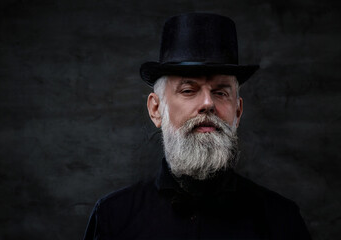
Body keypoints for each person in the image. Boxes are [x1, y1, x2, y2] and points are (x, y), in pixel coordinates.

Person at [83, 13, 312, 240]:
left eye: (221, 92)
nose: (207, 104)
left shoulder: (282, 221)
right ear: (155, 109)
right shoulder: (112, 219)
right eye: (188, 90)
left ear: (238, 112)